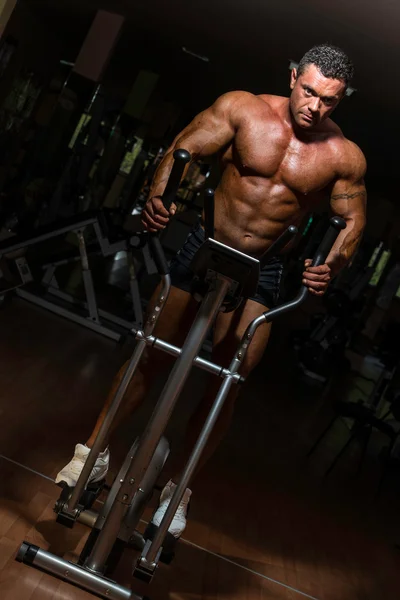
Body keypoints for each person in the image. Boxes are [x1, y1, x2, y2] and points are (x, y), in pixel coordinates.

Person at [56, 43, 367, 539]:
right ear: (292, 77)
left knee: (228, 382)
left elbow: (352, 223)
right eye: (309, 91)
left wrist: (332, 265)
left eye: (328, 100)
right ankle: (89, 456)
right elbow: (183, 148)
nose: (315, 106)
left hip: (263, 268)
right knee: (150, 352)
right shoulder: (242, 109)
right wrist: (158, 196)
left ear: (340, 100)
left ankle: (176, 493)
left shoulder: (343, 156)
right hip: (205, 244)